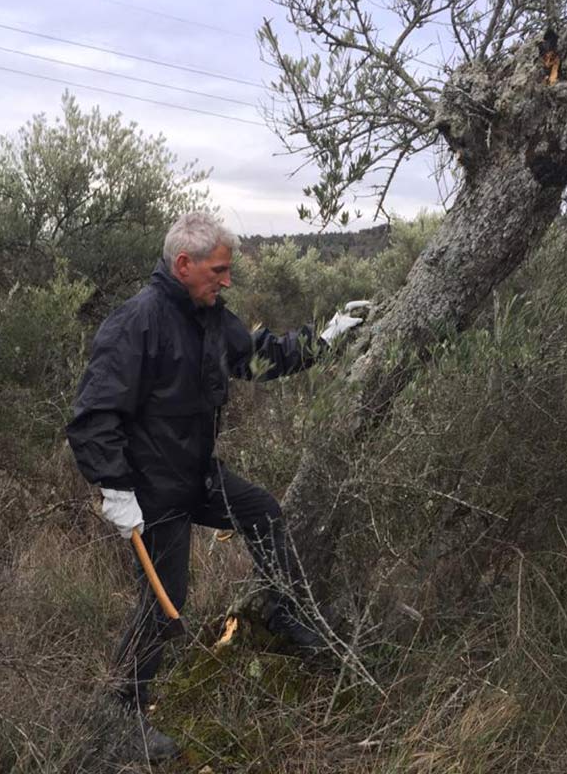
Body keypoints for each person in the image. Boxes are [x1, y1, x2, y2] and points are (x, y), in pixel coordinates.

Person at [66, 212, 367, 761]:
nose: (226, 280)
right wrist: (114, 488)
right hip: (151, 492)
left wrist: (327, 338)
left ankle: (280, 611)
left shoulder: (210, 317)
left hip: (199, 476)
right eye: (219, 270)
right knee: (164, 604)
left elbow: (263, 359)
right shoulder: (137, 322)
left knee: (263, 512)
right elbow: (92, 416)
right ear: (184, 265)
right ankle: (118, 719)